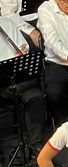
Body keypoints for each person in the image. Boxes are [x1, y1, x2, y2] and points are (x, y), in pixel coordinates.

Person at [0, 11, 46, 151]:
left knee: (35, 97)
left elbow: (22, 47)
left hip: (15, 79)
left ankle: (35, 143)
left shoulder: (6, 23)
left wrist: (22, 54)